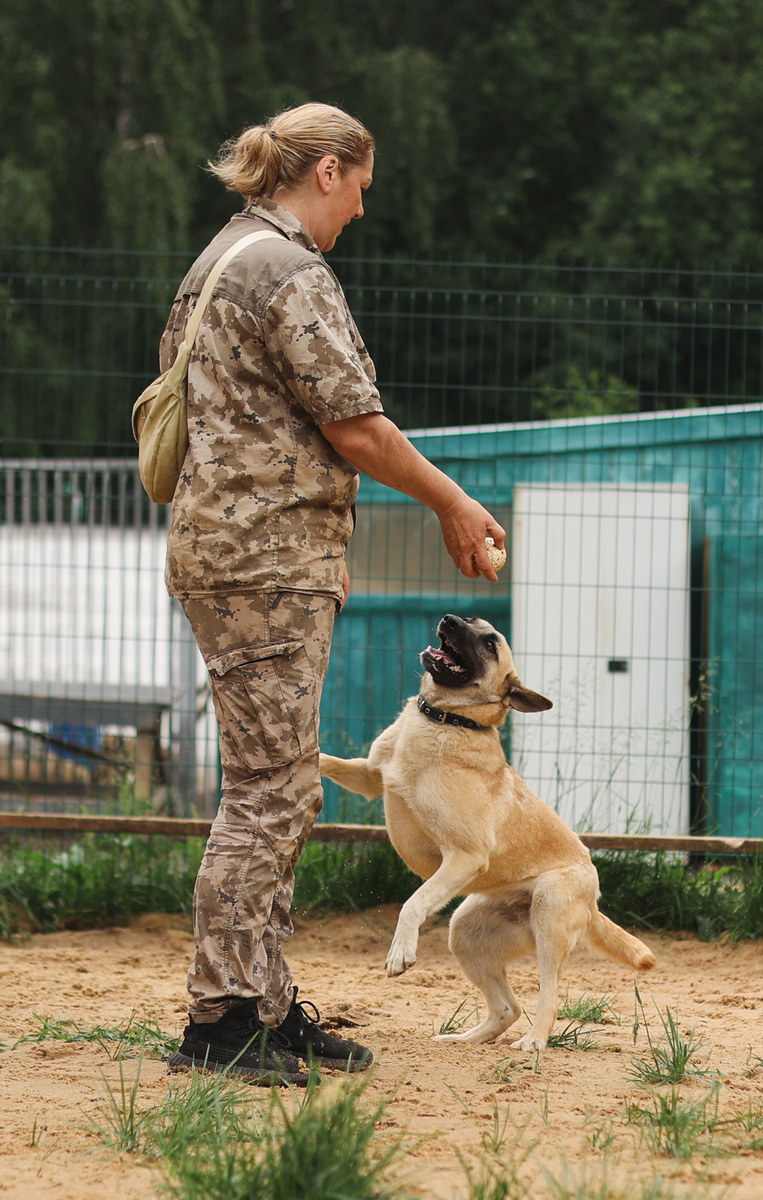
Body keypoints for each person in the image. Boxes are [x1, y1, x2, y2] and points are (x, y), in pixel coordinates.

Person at [162, 102, 506, 1085]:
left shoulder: (220, 259)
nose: (359, 208)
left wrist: (317, 534)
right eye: (359, 187)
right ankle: (222, 1020)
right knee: (270, 792)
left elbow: (240, 421)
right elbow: (353, 425)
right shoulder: (288, 269)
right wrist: (449, 502)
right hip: (262, 559)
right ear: (325, 172)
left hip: (245, 548)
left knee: (282, 787)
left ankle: (263, 1007)